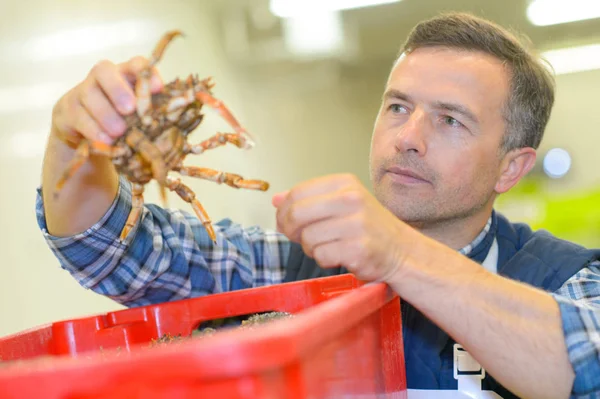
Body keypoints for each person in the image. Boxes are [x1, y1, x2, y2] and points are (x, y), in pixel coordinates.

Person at [36, 11, 600, 398]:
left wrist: (399, 255)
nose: (408, 137)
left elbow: (585, 367)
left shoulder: (568, 276)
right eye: (399, 107)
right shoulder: (288, 263)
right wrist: (71, 140)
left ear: (512, 167)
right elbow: (108, 248)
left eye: (450, 120)